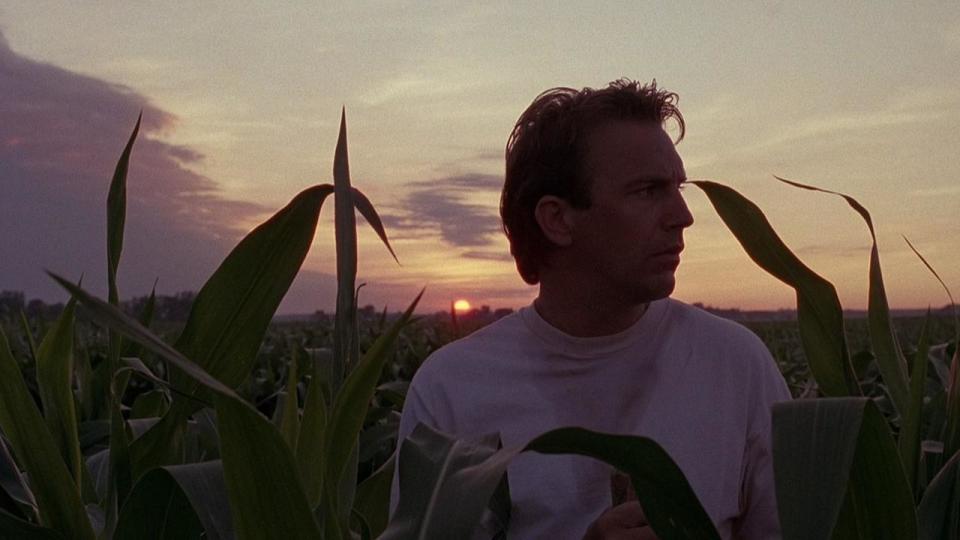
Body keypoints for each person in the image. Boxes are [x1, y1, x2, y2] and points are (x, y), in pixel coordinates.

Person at [391, 79, 791, 539]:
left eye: (677, 187)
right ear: (558, 219)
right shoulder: (453, 391)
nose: (683, 215)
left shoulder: (736, 364)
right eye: (647, 191)